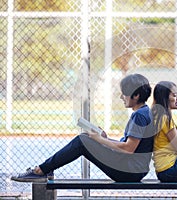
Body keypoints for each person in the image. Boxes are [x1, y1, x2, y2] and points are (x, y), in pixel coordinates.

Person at [11, 73, 154, 182]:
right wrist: (104, 139)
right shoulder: (143, 112)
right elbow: (129, 146)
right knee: (85, 138)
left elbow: (128, 149)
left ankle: (41, 171)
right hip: (132, 168)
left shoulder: (139, 116)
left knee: (81, 141)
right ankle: (44, 170)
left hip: (129, 171)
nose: (121, 97)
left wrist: (100, 140)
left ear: (136, 95)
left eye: (124, 93)